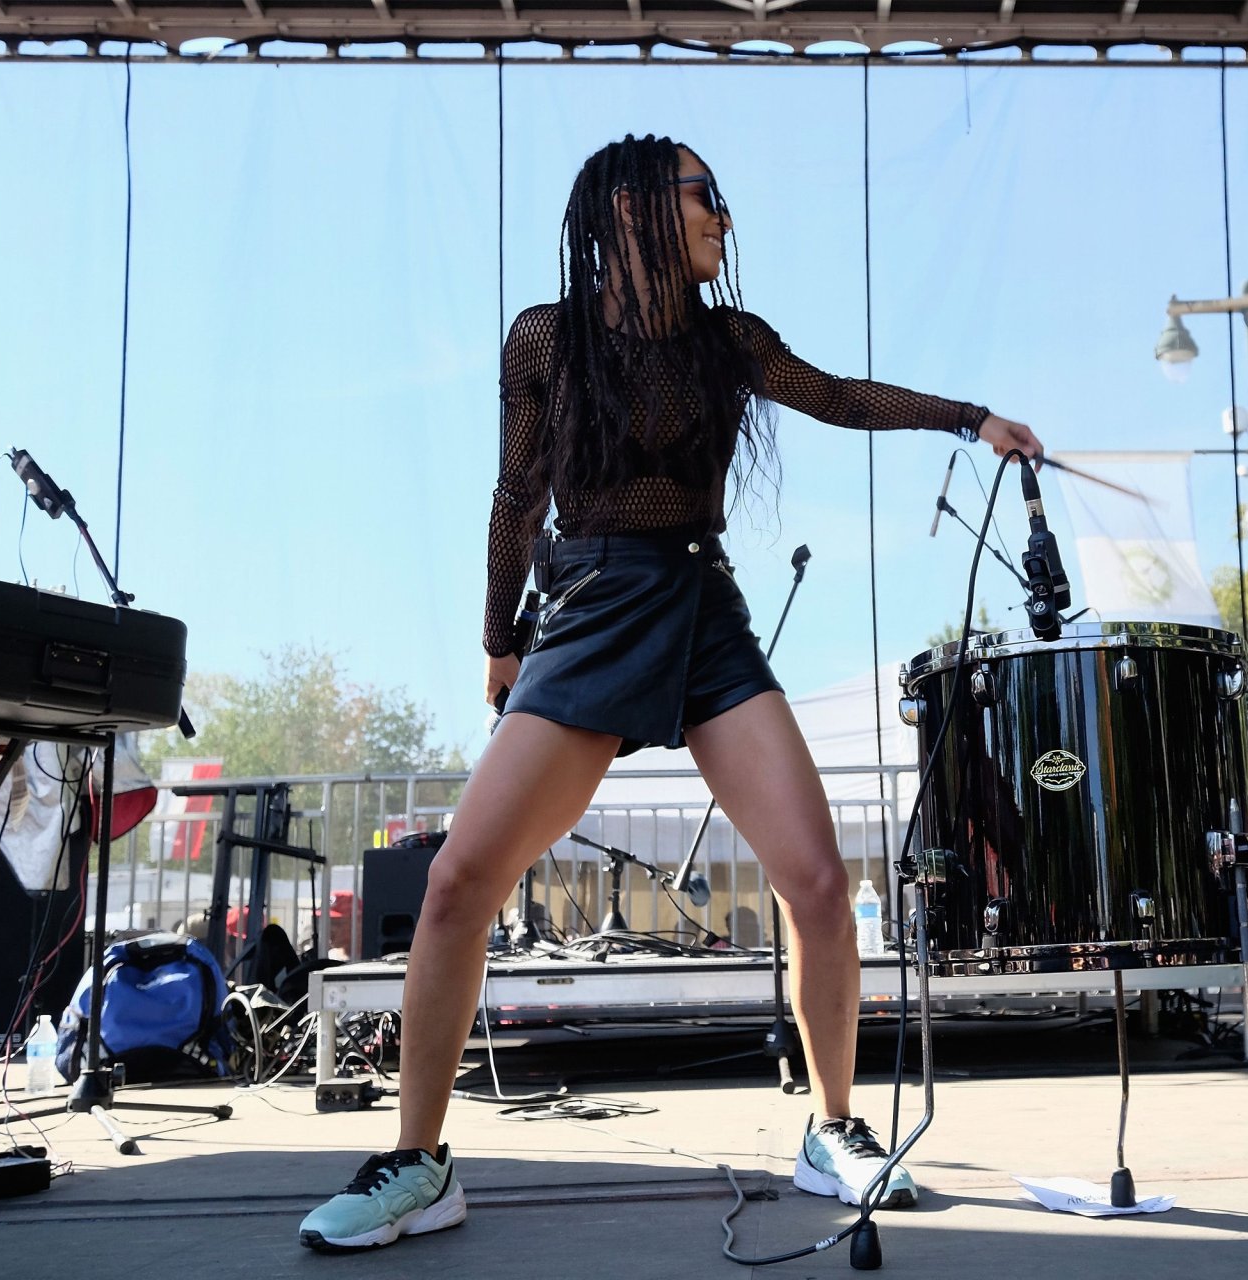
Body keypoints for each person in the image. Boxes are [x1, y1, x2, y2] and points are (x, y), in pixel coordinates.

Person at [298, 133, 1044, 1251]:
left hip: (702, 612)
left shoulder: (728, 339)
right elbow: (514, 497)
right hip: (590, 607)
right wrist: (500, 640)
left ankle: (833, 1129)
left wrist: (967, 417)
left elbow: (836, 395)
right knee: (455, 884)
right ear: (634, 208)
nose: (722, 217)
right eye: (704, 196)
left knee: (819, 883)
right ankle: (419, 1161)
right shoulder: (547, 337)